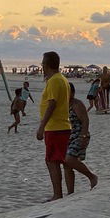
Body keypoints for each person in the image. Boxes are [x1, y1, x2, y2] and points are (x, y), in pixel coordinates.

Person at [36, 51, 71, 202]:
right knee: (59, 160)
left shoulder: (55, 81)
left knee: (52, 160)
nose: (42, 66)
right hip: (60, 125)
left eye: (43, 63)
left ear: (48, 64)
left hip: (55, 127)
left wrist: (41, 126)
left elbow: (52, 104)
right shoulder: (61, 79)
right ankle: (63, 192)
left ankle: (58, 194)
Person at [64, 83, 98, 194]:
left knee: (69, 159)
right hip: (69, 136)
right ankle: (70, 193)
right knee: (66, 164)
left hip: (80, 135)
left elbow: (85, 120)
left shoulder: (77, 104)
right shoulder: (64, 104)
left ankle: (92, 176)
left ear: (72, 93)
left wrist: (83, 136)